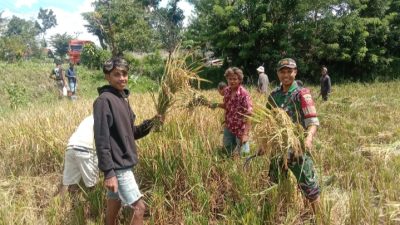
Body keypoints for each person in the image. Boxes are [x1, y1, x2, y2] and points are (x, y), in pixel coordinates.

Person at [94, 57, 162, 225]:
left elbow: (131, 133)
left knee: (115, 201)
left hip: (122, 163)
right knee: (139, 208)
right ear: (107, 77)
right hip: (118, 165)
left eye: (124, 74)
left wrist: (152, 123)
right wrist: (108, 172)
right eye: (117, 74)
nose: (122, 78)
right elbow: (101, 139)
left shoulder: (122, 99)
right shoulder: (104, 101)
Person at [259, 58, 321, 213]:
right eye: (282, 71)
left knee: (308, 185)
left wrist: (308, 138)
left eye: (289, 71)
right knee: (274, 182)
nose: (286, 75)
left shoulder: (301, 94)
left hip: (297, 148)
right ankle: (277, 213)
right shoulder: (274, 96)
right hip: (278, 149)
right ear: (278, 74)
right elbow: (268, 123)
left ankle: (319, 218)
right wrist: (264, 144)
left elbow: (312, 121)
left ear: (295, 72)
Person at [210, 67, 253, 156]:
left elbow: (249, 114)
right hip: (229, 126)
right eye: (230, 79)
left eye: (235, 79)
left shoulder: (244, 94)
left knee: (243, 155)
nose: (232, 81)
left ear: (240, 80)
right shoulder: (227, 91)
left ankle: (244, 169)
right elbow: (227, 106)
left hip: (240, 128)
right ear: (227, 79)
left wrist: (245, 134)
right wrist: (216, 104)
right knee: (227, 151)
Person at [55, 115, 98, 197]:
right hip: (85, 149)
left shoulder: (89, 118)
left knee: (68, 183)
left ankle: (59, 206)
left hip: (70, 147)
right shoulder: (102, 117)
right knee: (92, 184)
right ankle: (93, 205)